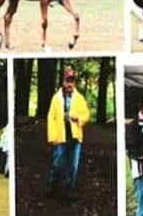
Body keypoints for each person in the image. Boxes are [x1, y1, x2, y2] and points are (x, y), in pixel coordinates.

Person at [46, 69, 89, 201]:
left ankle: (69, 191)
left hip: (75, 137)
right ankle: (53, 187)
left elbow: (86, 115)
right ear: (63, 82)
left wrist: (77, 118)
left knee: (73, 166)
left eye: (72, 81)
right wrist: (52, 137)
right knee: (58, 163)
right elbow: (51, 117)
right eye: (67, 81)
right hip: (60, 136)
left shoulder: (80, 98)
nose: (70, 84)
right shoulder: (56, 98)